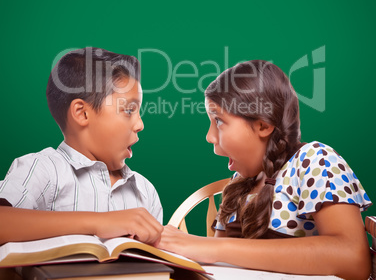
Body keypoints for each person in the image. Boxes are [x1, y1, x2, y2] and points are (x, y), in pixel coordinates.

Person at [158, 60, 372, 279]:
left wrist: (215, 248)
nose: (209, 137)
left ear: (263, 125)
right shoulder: (239, 183)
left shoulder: (316, 160)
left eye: (219, 121)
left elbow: (353, 259)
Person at [0, 47, 163, 246]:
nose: (140, 124)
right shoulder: (43, 169)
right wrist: (98, 222)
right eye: (129, 110)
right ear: (82, 113)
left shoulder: (145, 191)